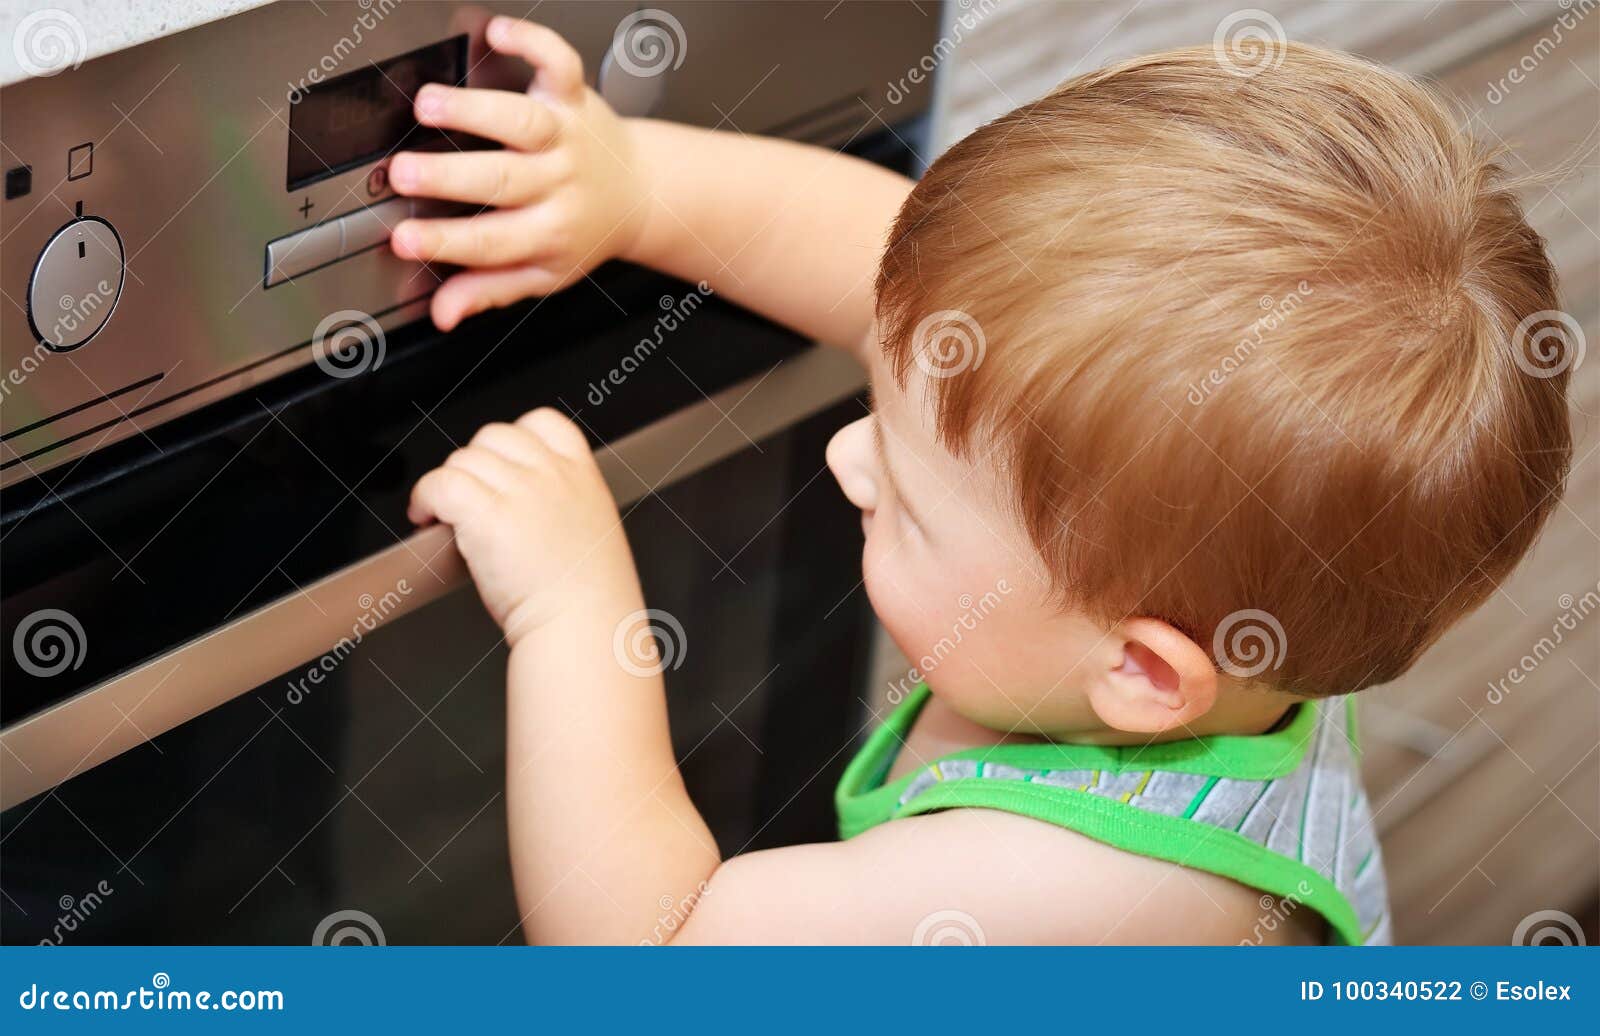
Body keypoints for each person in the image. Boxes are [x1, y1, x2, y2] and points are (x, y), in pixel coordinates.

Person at [392, 16, 1571, 944]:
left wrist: (576, 611)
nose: (849, 458)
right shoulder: (1253, 573)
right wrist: (635, 181)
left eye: (906, 497)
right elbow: (894, 284)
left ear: (1141, 671)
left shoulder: (1071, 889)